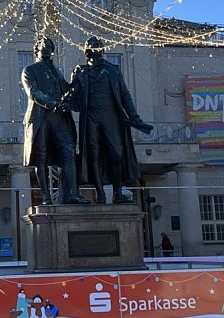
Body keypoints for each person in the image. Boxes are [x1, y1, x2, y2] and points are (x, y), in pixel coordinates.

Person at [63, 36, 153, 204]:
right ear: (87, 51)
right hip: (91, 118)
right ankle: (101, 194)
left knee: (117, 154)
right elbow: (72, 98)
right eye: (92, 47)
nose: (96, 49)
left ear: (103, 50)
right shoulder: (81, 72)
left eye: (98, 46)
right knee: (94, 155)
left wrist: (134, 117)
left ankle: (118, 192)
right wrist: (66, 98)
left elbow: (125, 95)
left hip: (111, 117)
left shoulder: (113, 70)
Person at [21, 37, 90, 205]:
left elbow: (67, 92)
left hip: (59, 118)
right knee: (41, 157)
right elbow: (34, 92)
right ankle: (45, 196)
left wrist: (75, 81)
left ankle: (73, 194)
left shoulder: (56, 71)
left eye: (50, 47)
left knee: (68, 152)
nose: (47, 49)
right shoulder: (29, 70)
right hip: (40, 117)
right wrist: (52, 104)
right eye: (43, 46)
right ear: (36, 49)